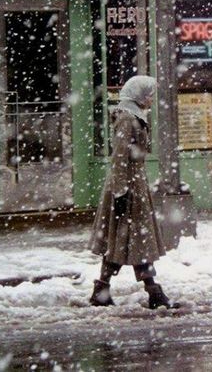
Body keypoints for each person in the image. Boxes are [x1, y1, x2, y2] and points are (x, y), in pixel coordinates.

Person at [89, 75, 178, 309]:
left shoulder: (134, 117)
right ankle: (151, 291)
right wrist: (120, 192)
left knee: (127, 240)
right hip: (128, 187)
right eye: (149, 95)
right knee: (132, 239)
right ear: (139, 96)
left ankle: (105, 290)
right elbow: (119, 158)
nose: (152, 99)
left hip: (133, 186)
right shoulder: (127, 119)